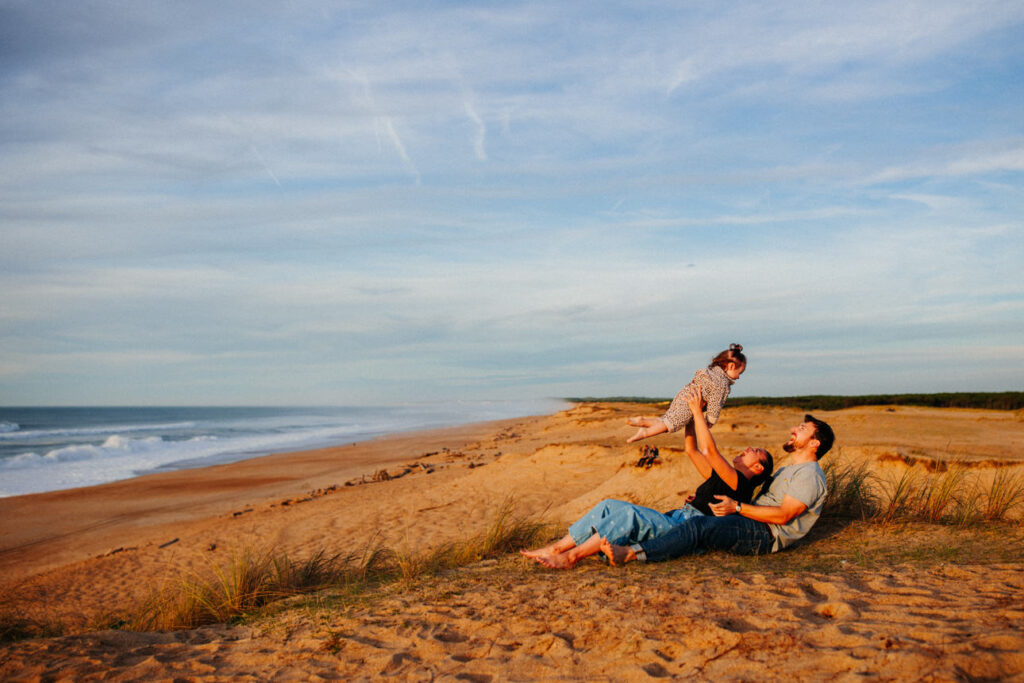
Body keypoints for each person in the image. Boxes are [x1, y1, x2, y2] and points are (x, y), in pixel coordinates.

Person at [520, 385, 773, 569]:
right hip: (676, 517)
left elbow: (709, 450)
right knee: (608, 505)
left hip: (684, 530)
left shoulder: (739, 484)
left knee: (629, 515)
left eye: (756, 452)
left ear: (759, 468)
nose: (749, 449)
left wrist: (697, 411)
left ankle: (571, 557)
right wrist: (687, 418)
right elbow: (692, 450)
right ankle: (557, 547)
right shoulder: (723, 477)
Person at [601, 414, 835, 565]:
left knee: (698, 526)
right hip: (752, 523)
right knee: (691, 525)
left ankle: (631, 553)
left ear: (815, 443)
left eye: (802, 428)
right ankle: (618, 546)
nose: (794, 428)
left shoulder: (810, 475)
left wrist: (738, 507)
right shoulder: (788, 470)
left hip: (766, 535)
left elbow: (784, 515)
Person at [627, 344, 746, 444]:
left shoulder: (710, 371)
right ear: (731, 366)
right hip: (690, 402)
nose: (739, 377)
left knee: (668, 420)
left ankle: (643, 421)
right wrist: (710, 421)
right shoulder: (721, 384)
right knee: (672, 424)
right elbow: (715, 404)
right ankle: (645, 433)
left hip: (683, 394)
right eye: (740, 372)